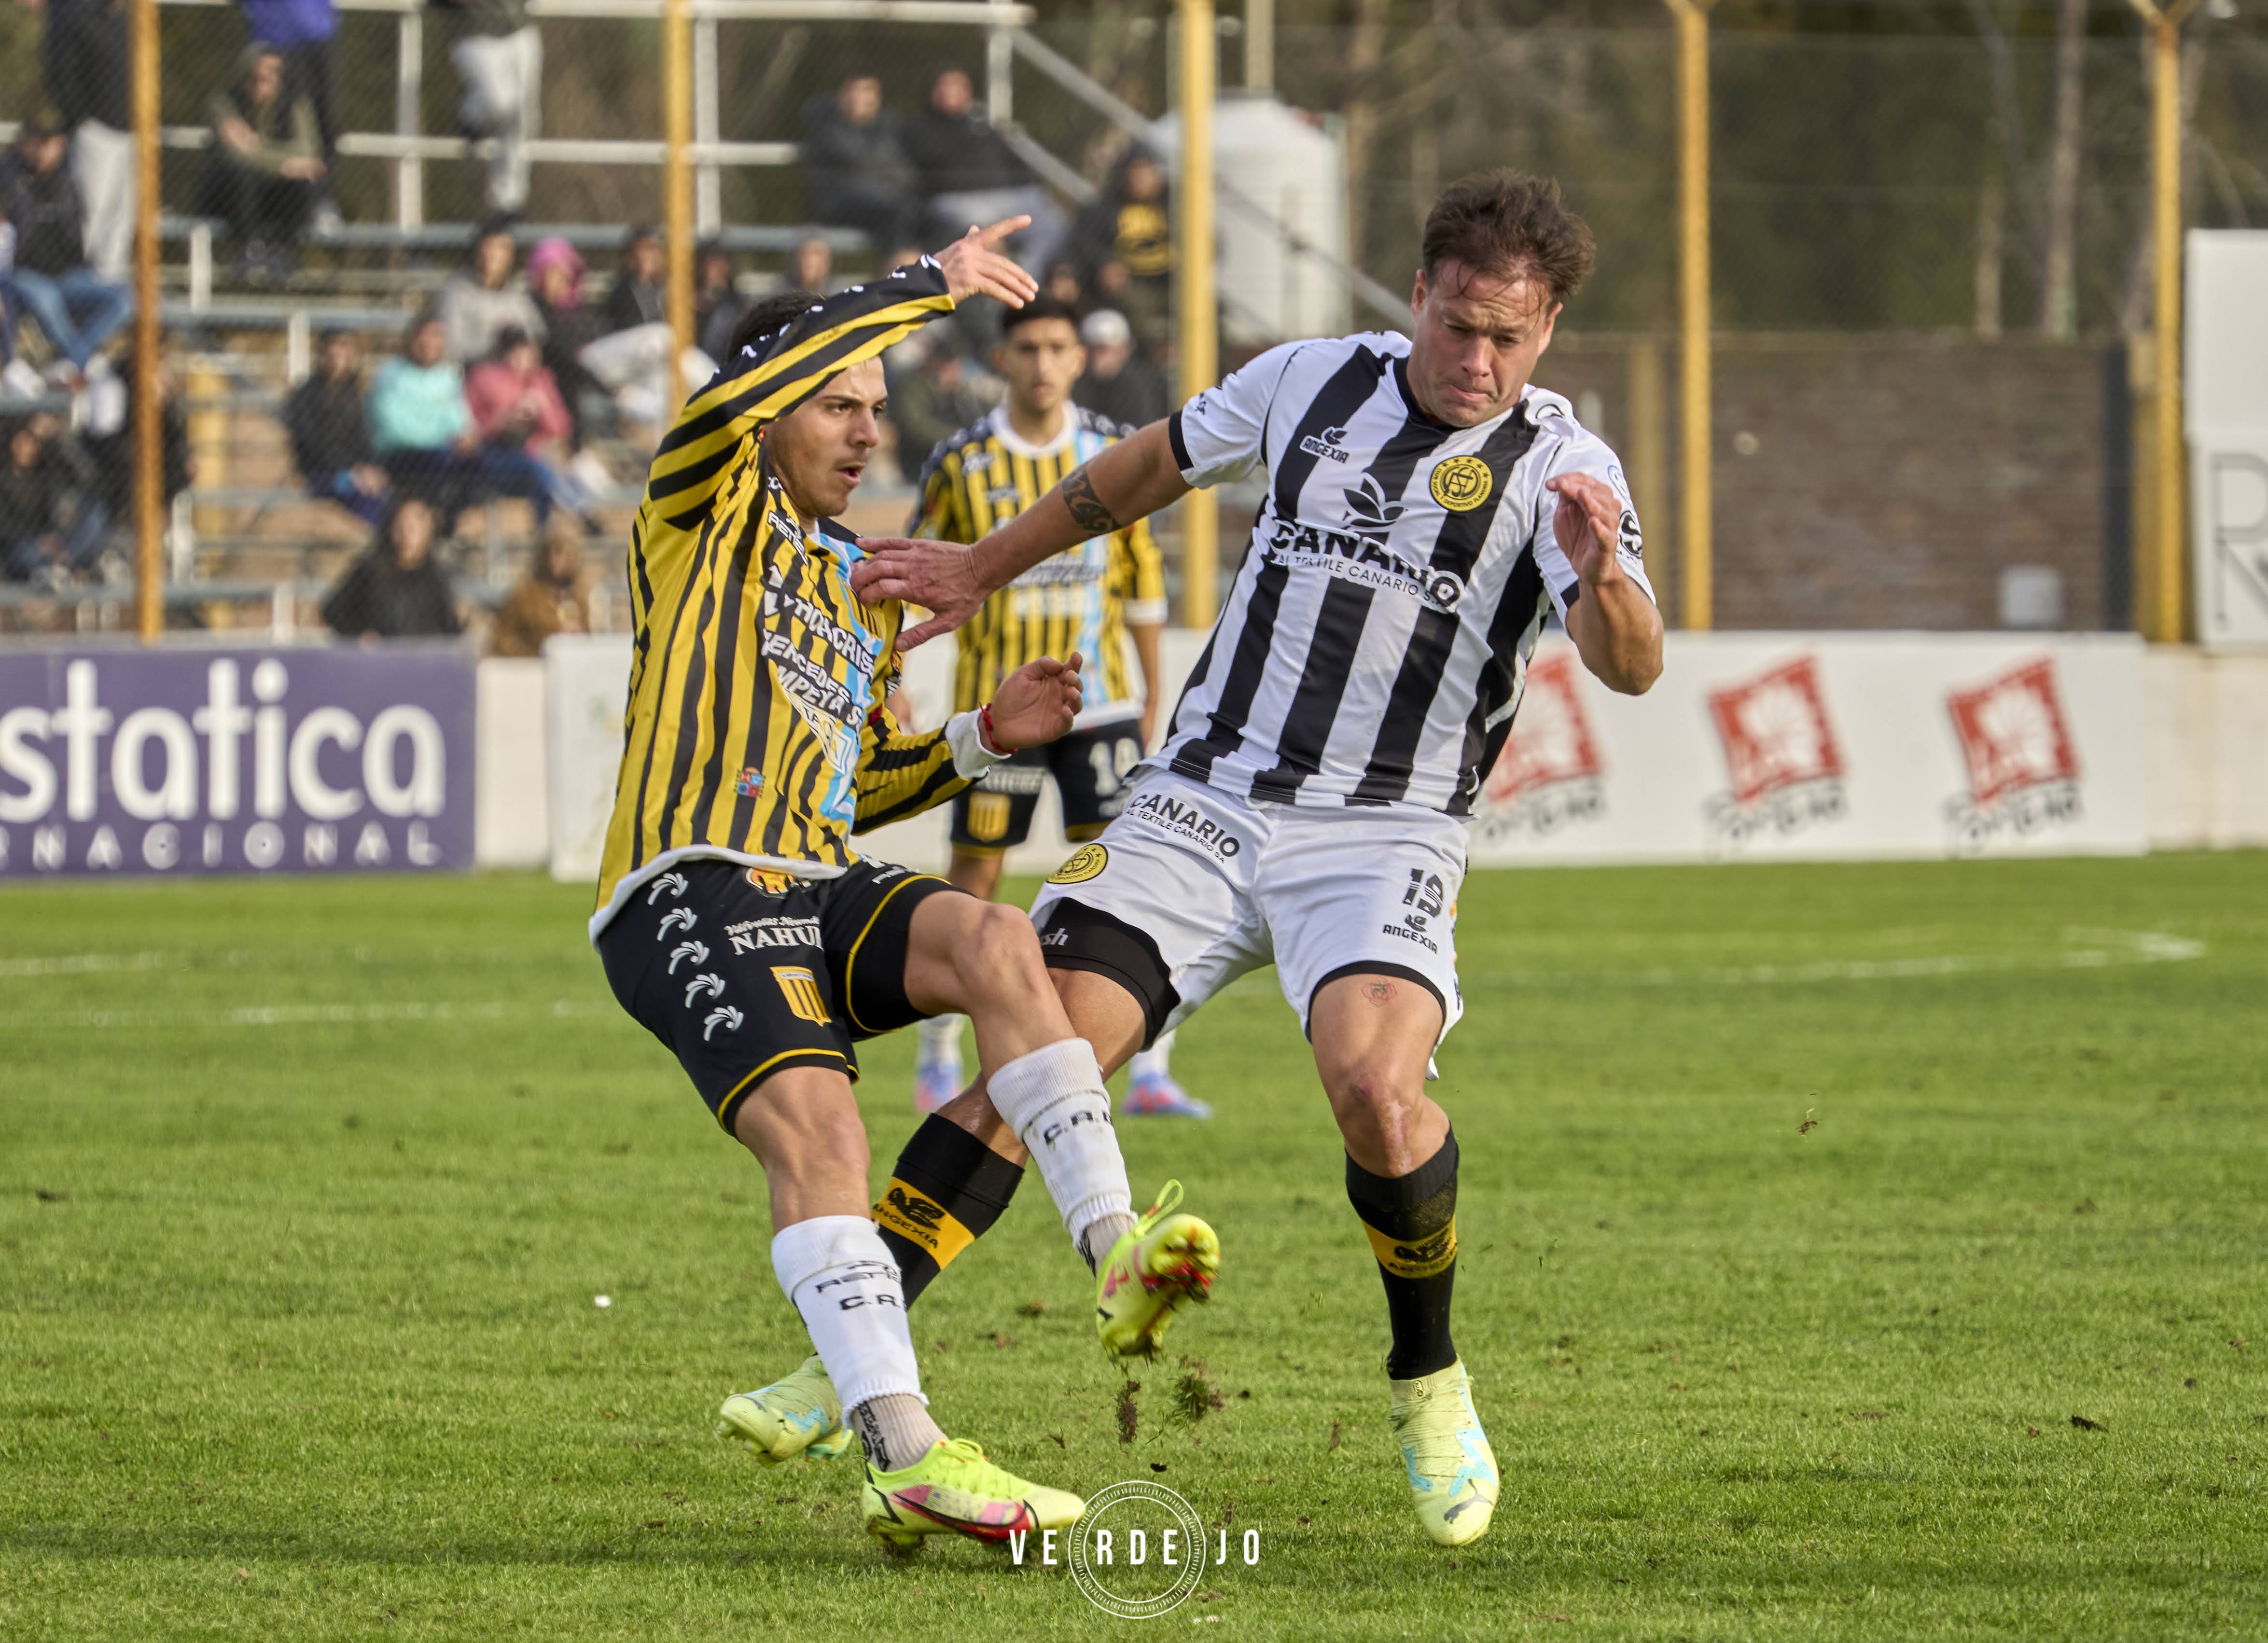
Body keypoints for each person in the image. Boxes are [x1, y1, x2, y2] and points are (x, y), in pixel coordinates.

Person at [827, 172, 1666, 1551]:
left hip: (1385, 826)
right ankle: (845, 1365)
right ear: (1414, 296)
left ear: (1551, 328)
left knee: (1376, 1095)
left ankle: (1429, 1378)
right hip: (1201, 802)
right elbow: (1136, 472)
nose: (1476, 360)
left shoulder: (1566, 472)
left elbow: (1628, 667)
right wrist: (984, 565)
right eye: (1457, 325)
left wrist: (1608, 575)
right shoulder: (1310, 384)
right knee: (1037, 1060)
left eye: (1508, 338)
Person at [590, 220, 1219, 1552]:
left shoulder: (860, 585)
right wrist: (921, 289)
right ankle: (905, 1450)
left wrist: (984, 736)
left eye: (878, 409)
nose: (867, 429)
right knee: (824, 1140)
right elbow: (746, 390)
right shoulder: (700, 499)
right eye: (838, 402)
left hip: (815, 877)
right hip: (685, 886)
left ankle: (1115, 1246)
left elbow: (855, 784)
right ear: (771, 400)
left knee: (999, 937)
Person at [902, 296, 1197, 1121]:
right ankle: (937, 1059)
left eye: (1057, 347)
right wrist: (894, 675)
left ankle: (1148, 1068)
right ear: (1002, 358)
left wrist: (1148, 693)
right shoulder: (961, 462)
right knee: (978, 878)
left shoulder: (1109, 448)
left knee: (1127, 880)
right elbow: (922, 571)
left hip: (1098, 702)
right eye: (1025, 346)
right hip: (998, 707)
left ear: (1078, 357)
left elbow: (1138, 574)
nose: (1041, 362)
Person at [0, 112, 131, 381]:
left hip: (68, 274)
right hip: (22, 274)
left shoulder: (67, 178)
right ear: (24, 141)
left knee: (125, 298)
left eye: (54, 141)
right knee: (46, 300)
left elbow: (78, 232)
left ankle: (70, 363)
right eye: (41, 140)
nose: (48, 148)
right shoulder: (7, 178)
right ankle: (85, 363)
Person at [904, 69, 1064, 278]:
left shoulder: (983, 125)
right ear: (935, 92)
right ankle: (999, 287)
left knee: (1052, 224)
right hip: (959, 200)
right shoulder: (920, 129)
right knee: (983, 228)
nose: (956, 92)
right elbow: (929, 173)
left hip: (1007, 196)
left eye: (961, 86)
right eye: (949, 85)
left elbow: (1016, 163)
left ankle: (1026, 278)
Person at [197, 42, 324, 279]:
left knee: (304, 184)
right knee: (241, 175)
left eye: (272, 74)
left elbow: (308, 154)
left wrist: (256, 147)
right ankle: (252, 251)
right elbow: (234, 153)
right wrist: (284, 163)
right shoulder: (222, 103)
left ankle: (281, 252)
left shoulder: (296, 105)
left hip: (272, 193)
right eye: (255, 75)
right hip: (229, 195)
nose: (263, 80)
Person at [42, 0, 134, 282]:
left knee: (125, 210)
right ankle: (81, 278)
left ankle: (109, 278)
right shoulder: (82, 20)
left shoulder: (134, 26)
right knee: (91, 207)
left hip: (134, 132)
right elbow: (62, 71)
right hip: (97, 132)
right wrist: (79, 118)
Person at [462, 324, 583, 526]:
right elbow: (467, 425)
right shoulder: (483, 376)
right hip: (493, 454)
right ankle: (581, 513)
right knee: (540, 471)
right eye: (518, 349)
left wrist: (541, 408)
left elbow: (562, 428)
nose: (525, 356)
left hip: (534, 453)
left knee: (550, 471)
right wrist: (503, 420)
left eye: (528, 349)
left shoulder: (541, 379)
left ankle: (545, 534)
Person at [237, 0, 342, 225]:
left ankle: (321, 199)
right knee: (277, 124)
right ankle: (266, 213)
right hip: (272, 38)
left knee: (326, 123)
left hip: (318, 35)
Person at [367, 312, 476, 519]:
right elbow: (394, 428)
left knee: (476, 468)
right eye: (423, 336)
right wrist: (441, 436)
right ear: (411, 339)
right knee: (440, 465)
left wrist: (462, 436)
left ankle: (442, 530)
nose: (429, 343)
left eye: (436, 336)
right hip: (398, 455)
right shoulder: (390, 374)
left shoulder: (449, 376)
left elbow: (458, 421)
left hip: (440, 455)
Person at [1068, 148, 1172, 358]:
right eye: (1135, 172)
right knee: (1135, 306)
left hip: (1170, 281)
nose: (1140, 179)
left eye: (1146, 171)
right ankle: (1152, 359)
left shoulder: (1175, 205)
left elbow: (1209, 241)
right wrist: (1104, 263)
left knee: (1212, 307)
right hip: (1131, 283)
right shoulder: (1107, 206)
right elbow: (1085, 242)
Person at [799, 74, 920, 254]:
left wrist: (888, 172)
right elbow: (857, 160)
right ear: (842, 96)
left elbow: (906, 172)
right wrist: (887, 170)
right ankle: (900, 272)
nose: (862, 99)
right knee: (899, 214)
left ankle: (913, 269)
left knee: (923, 215)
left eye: (869, 91)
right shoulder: (827, 125)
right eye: (856, 91)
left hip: (885, 200)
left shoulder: (888, 125)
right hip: (841, 204)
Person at [283, 327, 390, 525]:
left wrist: (370, 467)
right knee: (366, 497)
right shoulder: (304, 396)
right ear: (322, 353)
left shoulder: (356, 394)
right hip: (318, 472)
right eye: (333, 349)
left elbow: (364, 439)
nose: (338, 356)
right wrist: (353, 471)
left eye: (345, 349)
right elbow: (313, 446)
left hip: (352, 470)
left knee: (383, 492)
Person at [320, 495, 462, 639]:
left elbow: (450, 628)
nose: (408, 531)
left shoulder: (436, 576)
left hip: (422, 657)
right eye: (402, 523)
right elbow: (333, 612)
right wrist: (360, 634)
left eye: (415, 525)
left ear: (429, 529)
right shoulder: (371, 570)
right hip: (382, 657)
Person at [447, 0, 542, 214]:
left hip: (519, 30)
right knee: (500, 101)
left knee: (523, 118)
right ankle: (470, 115)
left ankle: (508, 202)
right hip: (474, 31)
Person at [0, 412, 106, 583]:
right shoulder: (4, 478)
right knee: (26, 554)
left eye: (34, 442)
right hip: (24, 546)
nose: (27, 448)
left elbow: (88, 476)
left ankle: (59, 568)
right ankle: (53, 572)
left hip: (58, 543)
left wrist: (57, 438)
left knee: (96, 516)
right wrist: (40, 541)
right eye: (22, 440)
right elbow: (5, 527)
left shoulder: (48, 472)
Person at [436, 218, 544, 364]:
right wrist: (497, 344)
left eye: (502, 248)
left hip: (514, 374)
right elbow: (451, 347)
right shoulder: (456, 291)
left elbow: (537, 335)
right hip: (471, 373)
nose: (492, 255)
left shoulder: (517, 294)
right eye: (489, 246)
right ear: (477, 251)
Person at [527, 235, 600, 448]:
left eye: (563, 272)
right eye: (550, 273)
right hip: (560, 373)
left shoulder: (579, 310)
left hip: (589, 367)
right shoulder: (533, 307)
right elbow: (552, 350)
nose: (558, 280)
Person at [489, 515, 587, 656]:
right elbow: (501, 641)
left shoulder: (581, 596)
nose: (554, 560)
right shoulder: (524, 595)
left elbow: (593, 640)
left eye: (560, 552)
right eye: (549, 552)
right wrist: (543, 646)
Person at [1072, 307, 1168, 430]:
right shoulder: (1078, 383)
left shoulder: (1141, 387)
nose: (1097, 358)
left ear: (1124, 349)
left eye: (1104, 350)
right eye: (1092, 350)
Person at [596, 226, 664, 335]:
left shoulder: (665, 290)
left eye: (657, 249)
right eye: (648, 249)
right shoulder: (621, 296)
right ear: (631, 256)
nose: (655, 255)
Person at [693, 240, 747, 363]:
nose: (719, 270)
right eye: (713, 263)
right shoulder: (684, 303)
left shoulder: (736, 307)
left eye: (723, 263)